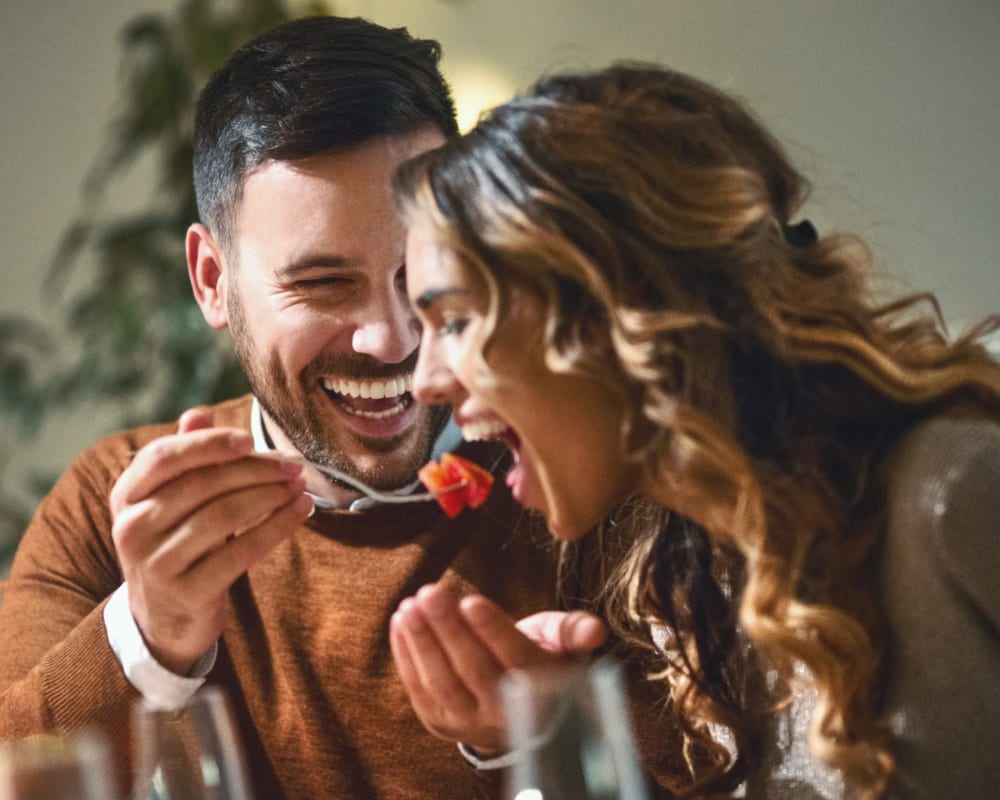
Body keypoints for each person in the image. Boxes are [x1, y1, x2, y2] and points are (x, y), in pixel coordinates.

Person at [389, 63, 1000, 798]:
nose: (422, 379)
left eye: (454, 320)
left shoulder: (955, 493)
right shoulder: (696, 585)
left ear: (624, 301)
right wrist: (564, 735)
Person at [0, 16, 569, 800]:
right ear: (211, 280)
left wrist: (539, 743)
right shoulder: (112, 503)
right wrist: (149, 637)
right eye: (324, 283)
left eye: (424, 271)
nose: (393, 338)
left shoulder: (568, 475)